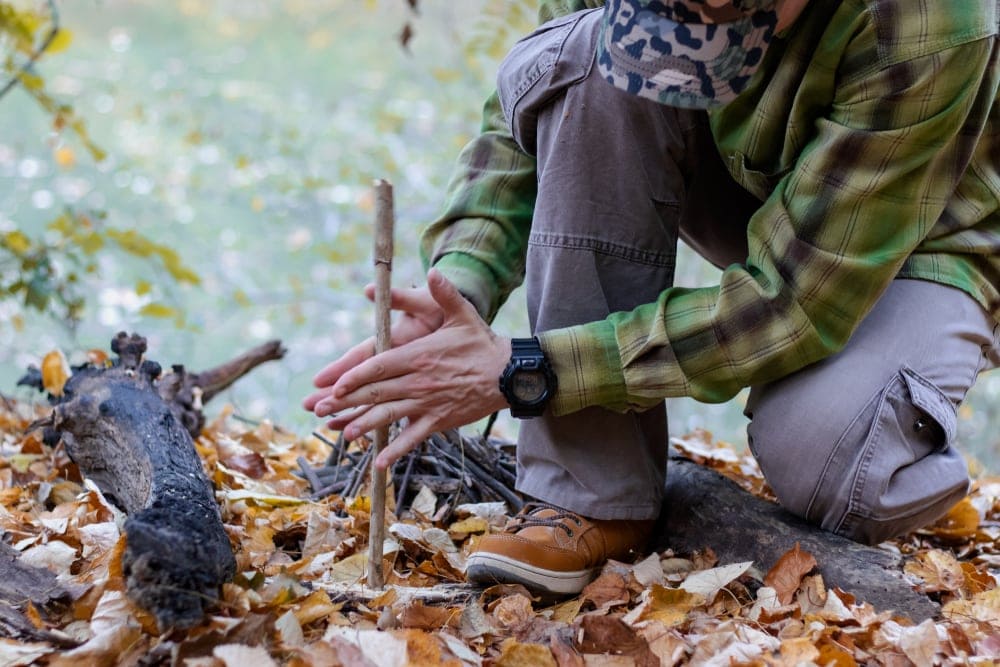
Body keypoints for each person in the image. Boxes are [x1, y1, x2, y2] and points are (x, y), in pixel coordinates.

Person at [304, 0, 1000, 597]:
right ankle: (593, 494)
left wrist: (531, 370)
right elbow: (536, 106)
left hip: (926, 238)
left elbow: (792, 302)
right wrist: (459, 285)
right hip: (752, 187)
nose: (701, 22)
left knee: (834, 459)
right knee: (588, 56)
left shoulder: (927, 19)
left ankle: (901, 400)